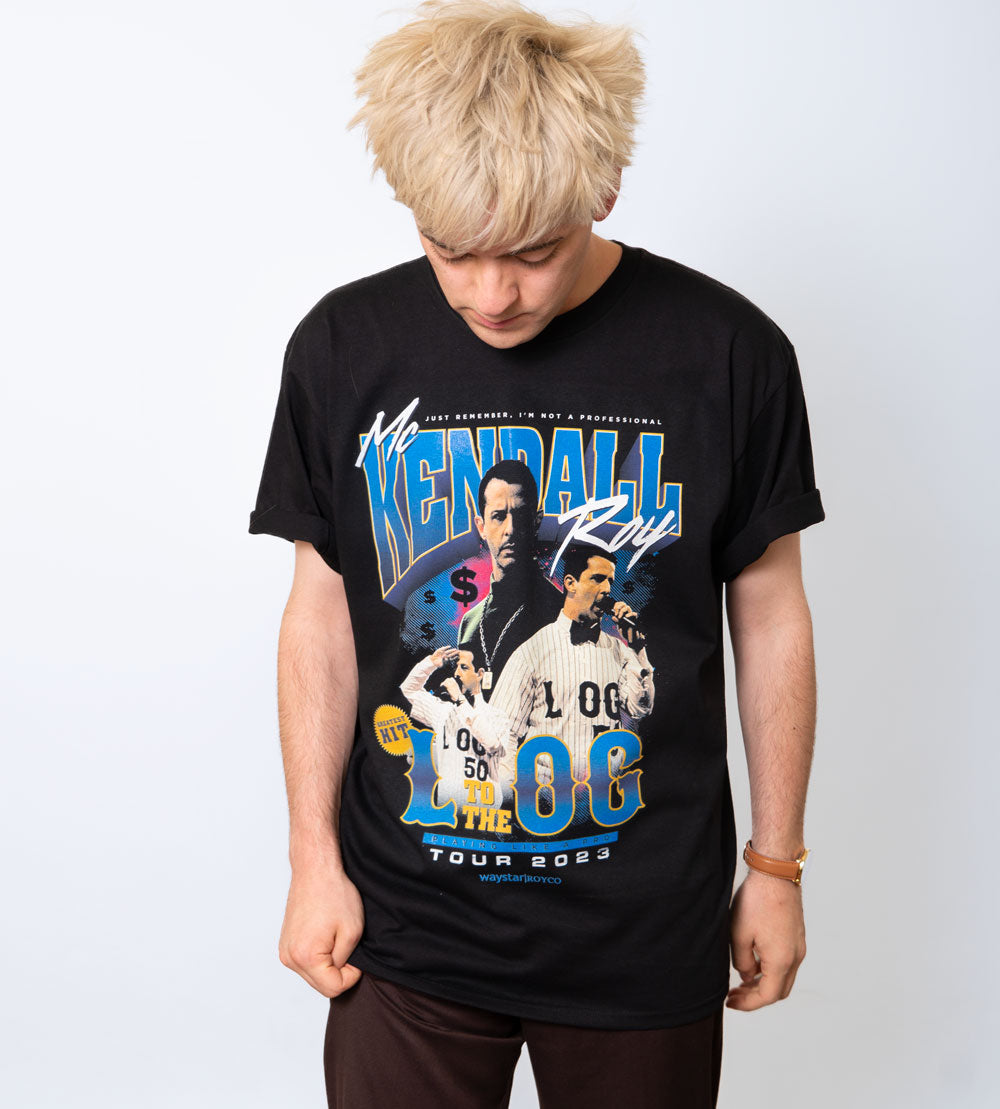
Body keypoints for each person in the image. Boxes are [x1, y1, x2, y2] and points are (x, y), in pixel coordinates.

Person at [248, 2, 824, 1106]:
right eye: (450, 250)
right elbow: (319, 611)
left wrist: (776, 865)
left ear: (604, 191)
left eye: (532, 253)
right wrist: (312, 857)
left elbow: (770, 612)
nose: (490, 295)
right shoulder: (343, 347)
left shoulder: (727, 351)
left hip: (642, 930)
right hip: (403, 926)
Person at [489, 546, 654, 801]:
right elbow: (501, 731)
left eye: (610, 581)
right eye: (597, 579)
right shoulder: (532, 650)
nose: (606, 589)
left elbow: (640, 708)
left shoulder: (620, 651)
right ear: (570, 583)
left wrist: (637, 648)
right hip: (547, 801)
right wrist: (514, 798)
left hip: (606, 799)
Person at [458, 458, 564, 695]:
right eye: (498, 516)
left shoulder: (561, 613)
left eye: (521, 515)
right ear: (481, 526)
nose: (510, 529)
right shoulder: (470, 623)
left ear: (536, 522)